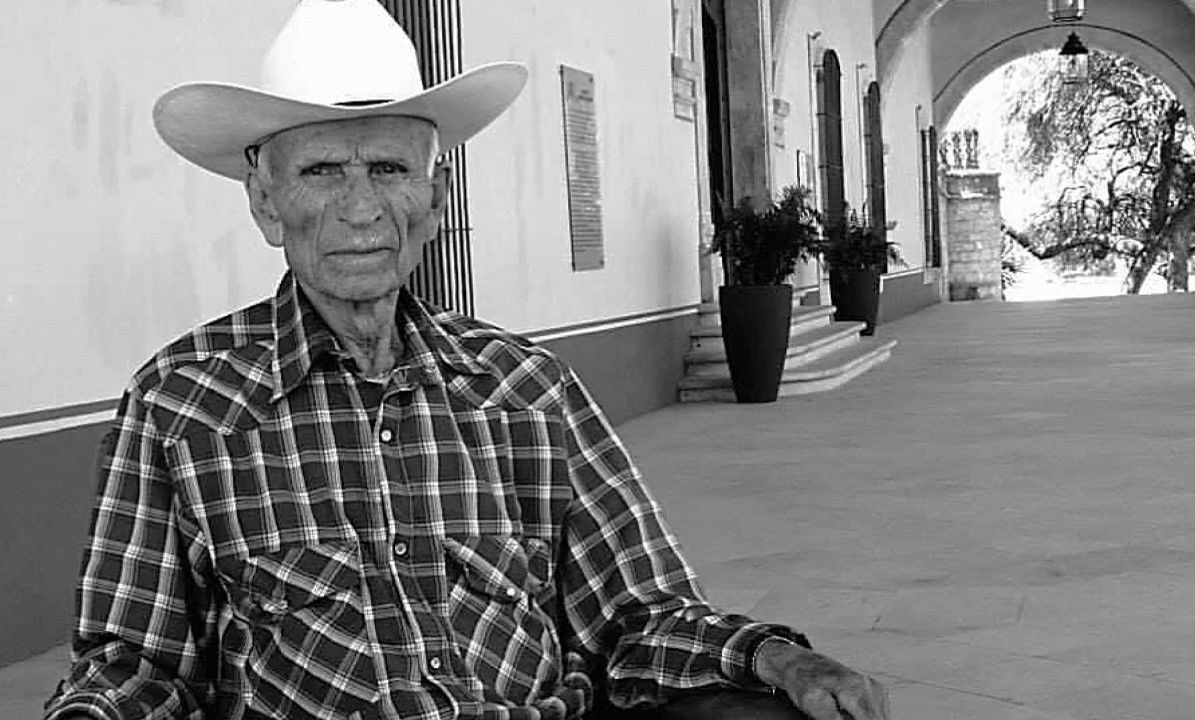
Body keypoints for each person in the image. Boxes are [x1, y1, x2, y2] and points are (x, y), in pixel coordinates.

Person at [43, 1, 889, 719]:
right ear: (266, 201)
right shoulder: (183, 402)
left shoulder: (526, 389)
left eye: (388, 167)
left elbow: (638, 615)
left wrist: (777, 660)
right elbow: (134, 664)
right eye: (322, 170)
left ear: (435, 198)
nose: (361, 207)